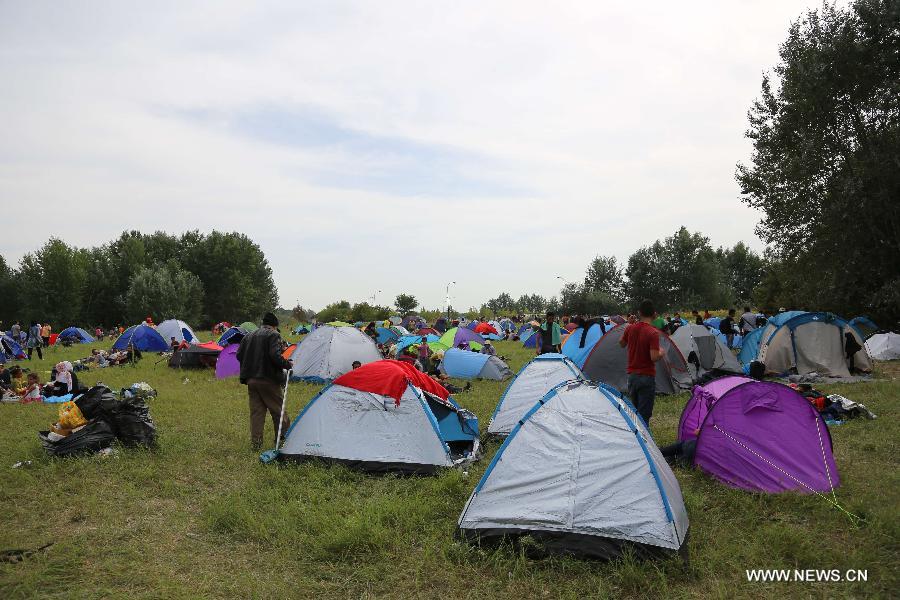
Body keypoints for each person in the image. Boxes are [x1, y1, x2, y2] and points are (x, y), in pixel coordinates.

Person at [236, 312, 293, 450]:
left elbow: (238, 355)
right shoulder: (273, 335)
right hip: (268, 379)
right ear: (274, 325)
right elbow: (275, 355)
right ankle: (282, 441)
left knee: (257, 413)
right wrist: (287, 364)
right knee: (279, 411)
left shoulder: (249, 335)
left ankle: (256, 444)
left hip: (251, 380)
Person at [619, 299, 662, 425]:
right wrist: (662, 353)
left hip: (632, 377)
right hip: (646, 377)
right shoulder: (653, 332)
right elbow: (654, 357)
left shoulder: (630, 328)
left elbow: (621, 344)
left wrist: (628, 325)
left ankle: (636, 440)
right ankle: (645, 442)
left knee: (636, 413)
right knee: (644, 416)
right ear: (654, 314)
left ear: (639, 313)